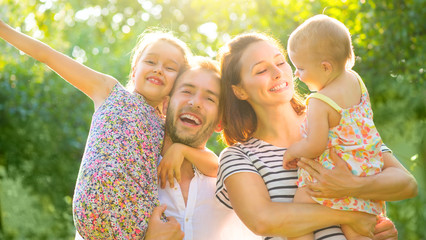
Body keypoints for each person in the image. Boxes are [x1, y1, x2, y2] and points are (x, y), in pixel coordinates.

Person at [0, 20, 218, 239]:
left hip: (136, 231)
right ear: (134, 71)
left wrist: (182, 151)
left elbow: (215, 166)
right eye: (150, 61)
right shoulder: (108, 91)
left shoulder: (166, 129)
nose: (158, 69)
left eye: (170, 68)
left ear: (177, 85)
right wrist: (4, 30)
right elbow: (47, 55)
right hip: (89, 222)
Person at [216, 32, 418, 240]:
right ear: (239, 91)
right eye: (261, 70)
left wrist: (353, 187)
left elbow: (406, 184)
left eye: (280, 62)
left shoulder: (334, 117)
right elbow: (263, 220)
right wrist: (351, 217)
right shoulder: (238, 156)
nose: (277, 73)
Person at [281, 15, 387, 240]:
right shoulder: (356, 81)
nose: (296, 75)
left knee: (300, 203)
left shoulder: (320, 102)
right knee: (358, 233)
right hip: (367, 173)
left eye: (300, 68)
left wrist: (293, 151)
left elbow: (315, 145)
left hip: (334, 179)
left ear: (325, 67)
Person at [145, 57, 260, 240]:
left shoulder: (234, 191)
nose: (195, 102)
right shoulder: (132, 175)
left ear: (220, 122)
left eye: (209, 98)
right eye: (187, 91)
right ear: (165, 104)